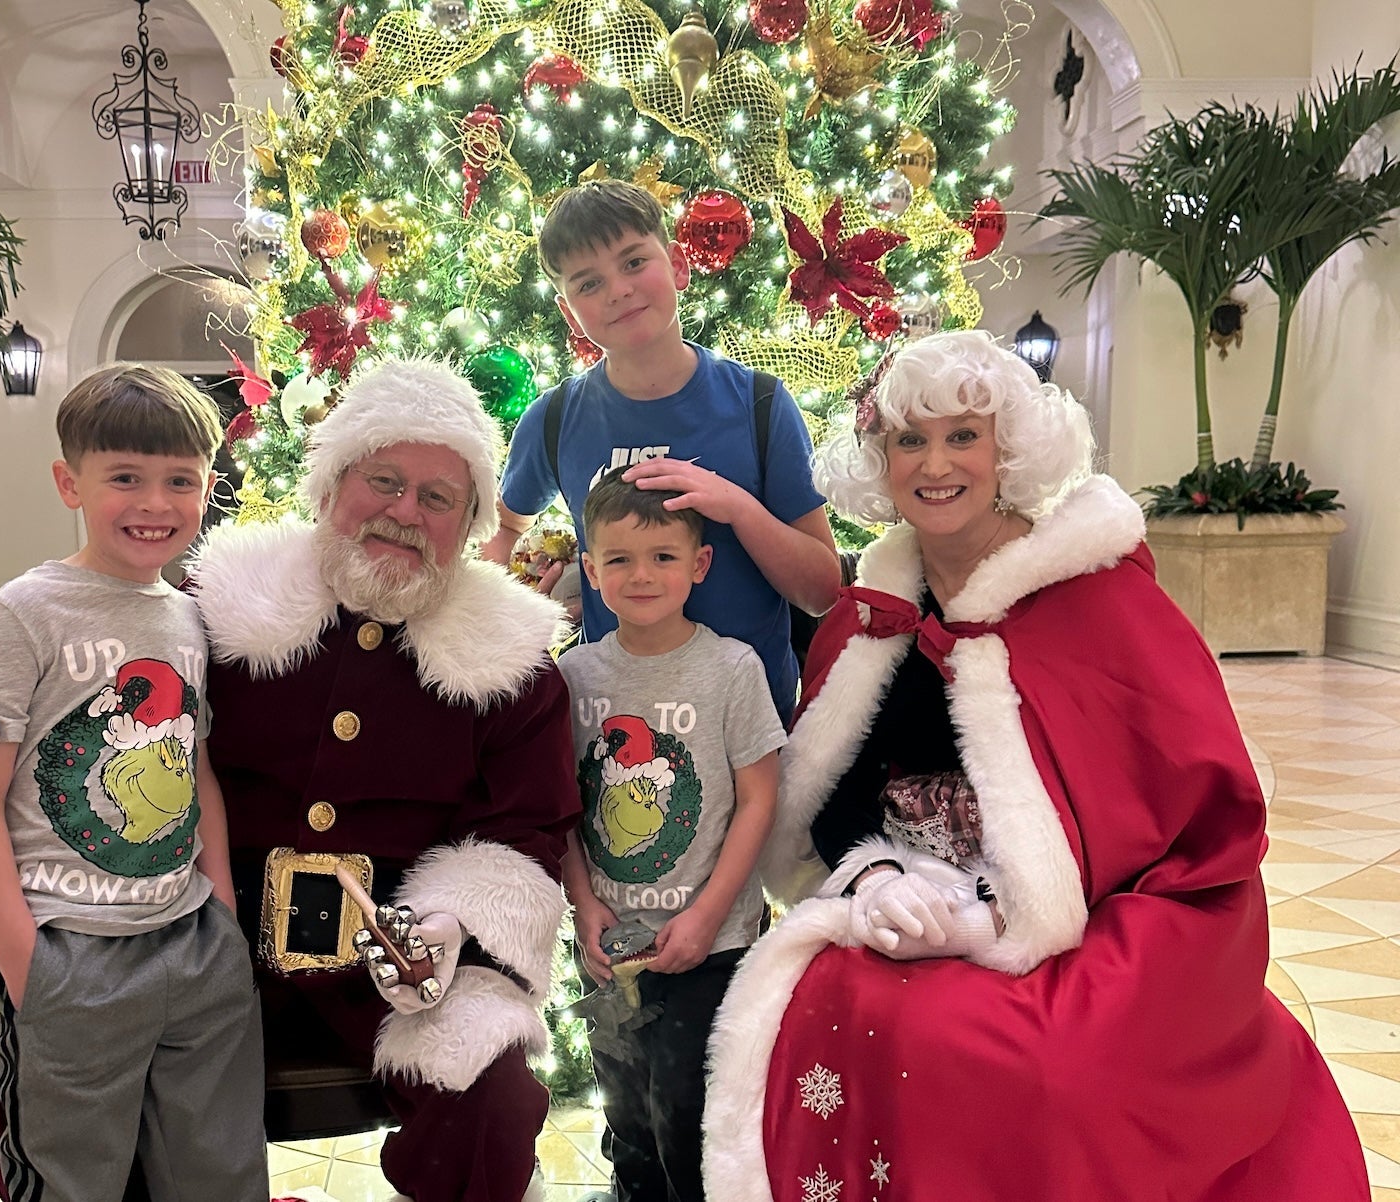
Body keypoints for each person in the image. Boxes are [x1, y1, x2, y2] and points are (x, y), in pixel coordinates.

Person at [700, 331, 1368, 1202]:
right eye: (910, 439)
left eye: (963, 436)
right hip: (907, 900)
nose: (935, 463)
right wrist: (876, 875)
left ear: (1008, 448)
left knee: (1045, 1067)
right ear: (882, 459)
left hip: (1110, 917)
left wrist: (993, 913)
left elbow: (1193, 829)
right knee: (834, 1000)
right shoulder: (871, 616)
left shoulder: (1106, 603)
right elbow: (827, 799)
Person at [0, 357, 582, 1202]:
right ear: (332, 484)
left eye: (438, 498)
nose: (404, 512)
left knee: (496, 1097)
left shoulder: (515, 664)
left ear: (472, 521)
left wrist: (451, 923)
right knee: (40, 1103)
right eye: (383, 480)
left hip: (396, 983)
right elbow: (83, 684)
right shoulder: (216, 602)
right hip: (201, 951)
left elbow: (526, 834)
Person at [0, 364, 268, 1202]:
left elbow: (196, 769)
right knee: (74, 1179)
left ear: (208, 487)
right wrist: (25, 963)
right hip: (69, 947)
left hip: (191, 941)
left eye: (179, 481)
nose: (154, 503)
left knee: (219, 1171)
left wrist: (221, 910)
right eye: (125, 477)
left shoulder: (190, 616)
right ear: (69, 483)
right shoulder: (25, 612)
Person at [483, 178, 839, 725]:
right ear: (567, 309)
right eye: (588, 282)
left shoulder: (760, 406)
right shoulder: (553, 420)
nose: (617, 291)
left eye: (632, 262)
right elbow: (502, 532)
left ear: (677, 264)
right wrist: (527, 601)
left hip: (749, 741)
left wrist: (737, 506)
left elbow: (821, 590)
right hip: (615, 737)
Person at [558, 468, 784, 1202]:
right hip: (609, 952)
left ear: (699, 564)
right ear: (591, 570)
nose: (641, 575)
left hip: (710, 951)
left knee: (689, 1122)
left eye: (661, 556)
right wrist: (584, 906)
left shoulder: (730, 669)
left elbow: (759, 798)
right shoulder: (573, 677)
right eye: (619, 559)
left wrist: (709, 914)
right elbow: (560, 805)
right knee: (626, 1118)